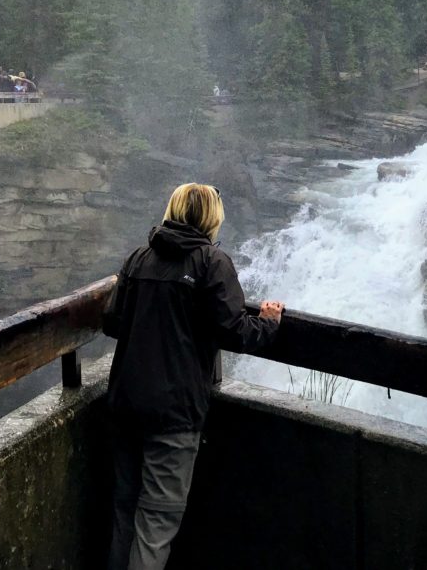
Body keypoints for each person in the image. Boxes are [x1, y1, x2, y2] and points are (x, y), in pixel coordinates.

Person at [102, 183, 283, 570]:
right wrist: (268, 323)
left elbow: (113, 322)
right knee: (156, 523)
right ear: (211, 219)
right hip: (175, 414)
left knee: (124, 513)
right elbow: (235, 330)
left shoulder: (137, 259)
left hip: (125, 405)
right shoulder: (211, 263)